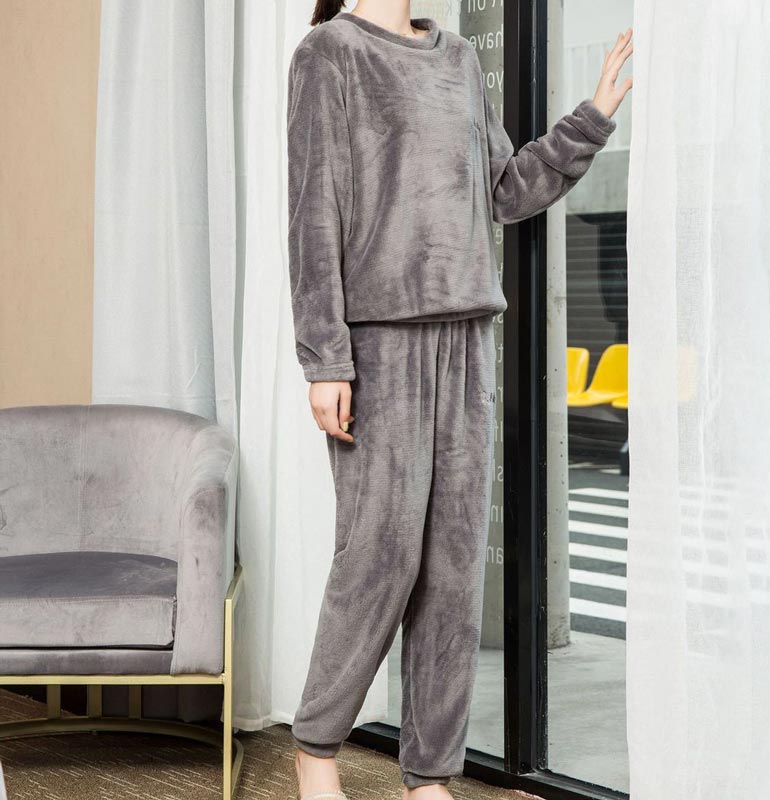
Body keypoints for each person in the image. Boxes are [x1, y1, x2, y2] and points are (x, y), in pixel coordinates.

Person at [287, 1, 633, 797]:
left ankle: (430, 775)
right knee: (379, 556)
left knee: (452, 567)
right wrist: (324, 358)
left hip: (468, 338)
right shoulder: (328, 54)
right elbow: (312, 212)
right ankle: (315, 749)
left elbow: (504, 190)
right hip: (379, 346)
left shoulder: (458, 60)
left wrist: (593, 116)